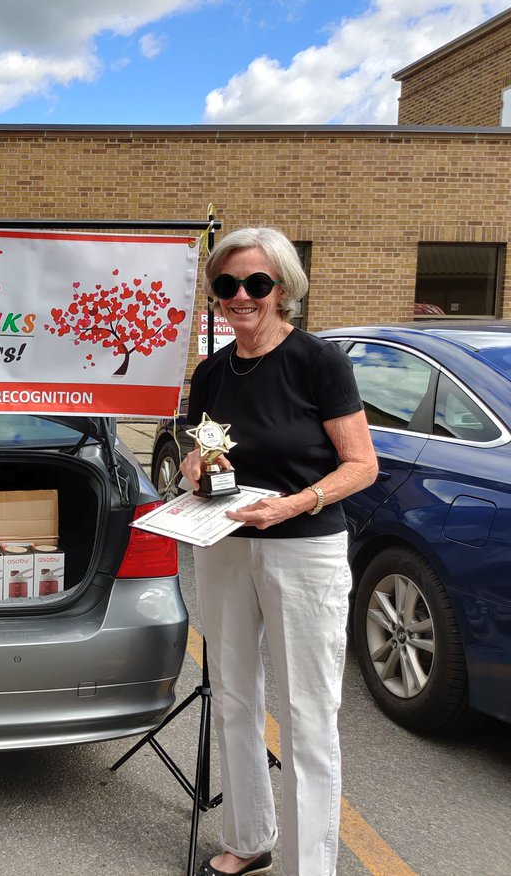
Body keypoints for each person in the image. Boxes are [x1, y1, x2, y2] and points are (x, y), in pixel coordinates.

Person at [180, 227, 377, 876]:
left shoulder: (319, 363)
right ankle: (250, 838)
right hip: (225, 545)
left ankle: (307, 867)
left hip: (304, 550)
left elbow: (361, 466)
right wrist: (197, 471)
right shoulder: (210, 373)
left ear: (282, 289)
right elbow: (211, 454)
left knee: (306, 715)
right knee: (235, 695)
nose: (242, 295)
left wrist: (293, 504)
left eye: (256, 283)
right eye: (228, 285)